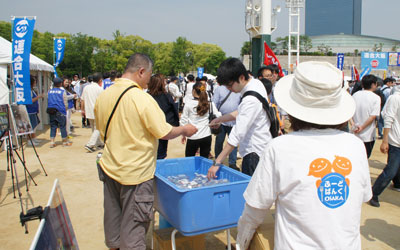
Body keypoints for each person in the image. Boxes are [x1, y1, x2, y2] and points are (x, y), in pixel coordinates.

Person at [236, 61, 372, 250]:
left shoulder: (280, 147)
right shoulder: (356, 146)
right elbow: (363, 196)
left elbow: (255, 209)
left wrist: (241, 242)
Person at [94, 53, 197, 250]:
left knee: (114, 224)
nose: (149, 80)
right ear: (141, 71)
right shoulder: (141, 99)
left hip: (109, 169)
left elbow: (101, 131)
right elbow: (164, 131)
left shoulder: (105, 95)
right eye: (149, 75)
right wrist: (184, 129)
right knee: (134, 231)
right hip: (136, 174)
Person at [207, 58, 271, 178]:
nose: (229, 89)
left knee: (252, 193)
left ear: (241, 77)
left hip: (254, 153)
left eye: (230, 85)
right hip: (261, 147)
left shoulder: (250, 100)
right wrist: (220, 119)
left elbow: (237, 134)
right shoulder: (256, 83)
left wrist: (217, 162)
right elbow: (241, 112)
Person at [369, 85, 400, 207]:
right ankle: (374, 193)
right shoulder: (395, 98)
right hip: (396, 142)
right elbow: (388, 119)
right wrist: (385, 140)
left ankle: (397, 184)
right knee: (391, 170)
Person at [181, 82, 221, 158]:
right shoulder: (209, 103)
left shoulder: (189, 104)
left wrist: (183, 134)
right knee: (204, 159)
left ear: (193, 91)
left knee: (190, 159)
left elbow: (184, 120)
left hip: (192, 135)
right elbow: (218, 115)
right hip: (206, 135)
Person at [147, 74, 180, 159]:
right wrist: (175, 124)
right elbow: (174, 110)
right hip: (163, 128)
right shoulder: (166, 96)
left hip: (149, 128)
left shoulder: (146, 96)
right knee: (161, 153)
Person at [212, 82, 241, 170]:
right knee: (219, 141)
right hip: (222, 121)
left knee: (234, 142)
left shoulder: (239, 89)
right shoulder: (219, 89)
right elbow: (214, 104)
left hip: (234, 121)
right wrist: (217, 117)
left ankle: (232, 162)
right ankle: (218, 159)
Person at [352, 74, 380, 158]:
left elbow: (350, 113)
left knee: (355, 155)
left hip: (355, 131)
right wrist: (362, 127)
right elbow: (373, 116)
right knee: (365, 156)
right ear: (373, 84)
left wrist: (353, 124)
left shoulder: (355, 95)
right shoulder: (376, 98)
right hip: (367, 134)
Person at [81, 72, 104, 152]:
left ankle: (98, 143)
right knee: (98, 128)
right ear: (100, 80)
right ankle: (90, 144)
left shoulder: (86, 88)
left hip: (88, 110)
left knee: (93, 128)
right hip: (97, 111)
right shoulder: (99, 89)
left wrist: (82, 109)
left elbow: (82, 99)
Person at [47, 77, 71, 148]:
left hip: (51, 110)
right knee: (62, 126)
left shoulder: (49, 91)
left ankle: (52, 141)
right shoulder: (62, 91)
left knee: (53, 126)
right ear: (60, 83)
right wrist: (65, 109)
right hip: (60, 111)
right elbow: (65, 102)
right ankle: (64, 142)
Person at [25, 76, 45, 146]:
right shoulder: (28, 91)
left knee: (34, 125)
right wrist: (38, 97)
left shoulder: (32, 90)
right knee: (31, 126)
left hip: (33, 110)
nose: (35, 83)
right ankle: (29, 140)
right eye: (35, 81)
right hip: (30, 111)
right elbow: (29, 101)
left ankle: (33, 138)